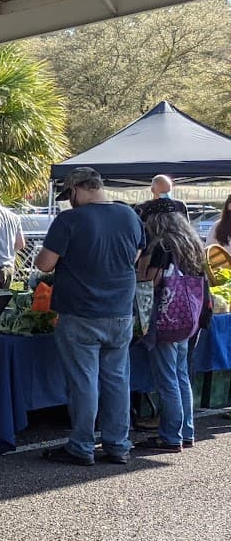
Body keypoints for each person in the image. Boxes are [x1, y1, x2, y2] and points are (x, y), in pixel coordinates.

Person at [34, 167, 144, 466]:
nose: (69, 201)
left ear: (77, 190)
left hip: (80, 312)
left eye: (69, 195)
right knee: (117, 380)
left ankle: (82, 445)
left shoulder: (69, 220)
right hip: (120, 311)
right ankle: (117, 444)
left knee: (84, 382)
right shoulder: (129, 215)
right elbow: (136, 255)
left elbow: (44, 264)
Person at [135, 210, 211, 452]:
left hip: (166, 319)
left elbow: (151, 280)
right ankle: (186, 432)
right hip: (188, 318)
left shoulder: (162, 246)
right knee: (181, 376)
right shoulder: (192, 245)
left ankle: (171, 436)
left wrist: (141, 267)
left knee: (167, 379)